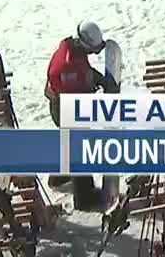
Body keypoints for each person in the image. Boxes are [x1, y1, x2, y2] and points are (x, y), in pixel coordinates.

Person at [45, 21, 114, 200]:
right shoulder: (67, 66)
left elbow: (84, 70)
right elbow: (76, 99)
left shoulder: (74, 49)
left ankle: (58, 178)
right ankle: (85, 197)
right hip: (65, 108)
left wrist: (99, 79)